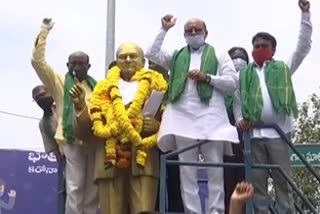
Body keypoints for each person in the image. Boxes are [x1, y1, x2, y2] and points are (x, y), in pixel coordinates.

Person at [146, 15, 239, 214]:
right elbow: (151, 53)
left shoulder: (219, 54)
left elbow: (232, 83)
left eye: (198, 30)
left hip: (211, 118)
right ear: (184, 35)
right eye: (190, 31)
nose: (194, 33)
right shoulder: (177, 55)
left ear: (206, 33)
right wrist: (164, 29)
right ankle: (193, 212)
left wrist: (208, 78)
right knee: (186, 172)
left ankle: (216, 211)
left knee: (215, 169)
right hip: (181, 118)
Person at [71, 42, 167, 214]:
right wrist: (80, 107)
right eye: (122, 57)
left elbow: (170, 120)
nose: (128, 59)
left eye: (133, 56)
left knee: (143, 211)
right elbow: (86, 132)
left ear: (143, 60)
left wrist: (156, 126)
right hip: (109, 161)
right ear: (116, 61)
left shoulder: (156, 85)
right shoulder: (102, 89)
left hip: (142, 160)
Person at [235, 1, 312, 213]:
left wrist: (305, 14)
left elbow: (303, 47)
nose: (258, 49)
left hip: (279, 134)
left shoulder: (283, 68)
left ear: (273, 49)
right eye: (255, 46)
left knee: (282, 180)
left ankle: (287, 211)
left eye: (263, 46)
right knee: (257, 182)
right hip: (255, 135)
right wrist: (239, 118)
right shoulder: (244, 74)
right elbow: (237, 101)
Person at [31, 18, 98, 214]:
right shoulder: (58, 82)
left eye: (81, 63)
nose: (77, 66)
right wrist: (44, 31)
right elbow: (37, 62)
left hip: (94, 141)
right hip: (71, 140)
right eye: (73, 63)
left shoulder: (98, 86)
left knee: (93, 188)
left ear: (89, 66)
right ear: (67, 65)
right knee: (75, 187)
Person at [32, 85, 66, 214]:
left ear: (50, 93)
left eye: (42, 95)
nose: (41, 99)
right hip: (66, 162)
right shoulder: (43, 124)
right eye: (37, 99)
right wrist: (65, 168)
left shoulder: (64, 106)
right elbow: (53, 149)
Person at [223, 47, 249, 214]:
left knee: (246, 182)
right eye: (233, 58)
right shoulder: (223, 85)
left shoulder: (251, 84)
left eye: (241, 58)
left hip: (248, 145)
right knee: (226, 184)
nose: (238, 61)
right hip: (225, 146)